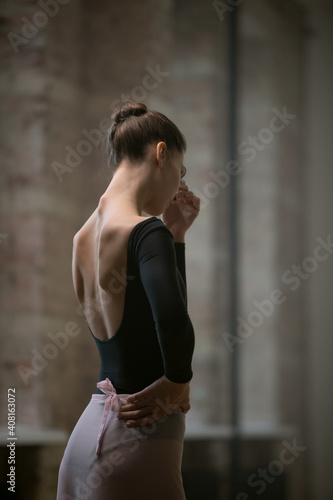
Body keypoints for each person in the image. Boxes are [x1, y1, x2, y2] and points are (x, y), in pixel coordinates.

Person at [56, 101, 200, 500]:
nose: (178, 185)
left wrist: (177, 236)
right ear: (161, 153)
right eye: (180, 172)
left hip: (89, 435)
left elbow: (150, 314)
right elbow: (171, 320)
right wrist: (179, 382)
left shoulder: (83, 237)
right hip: (138, 442)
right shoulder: (144, 230)